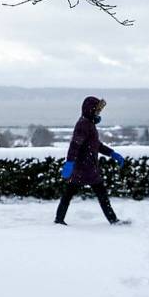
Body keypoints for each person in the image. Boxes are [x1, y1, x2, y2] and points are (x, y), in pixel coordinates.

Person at [54, 96, 128, 225]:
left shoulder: (89, 124)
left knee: (73, 194)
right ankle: (59, 219)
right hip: (83, 168)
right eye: (97, 110)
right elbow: (75, 145)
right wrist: (70, 163)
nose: (99, 113)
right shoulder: (83, 125)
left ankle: (59, 219)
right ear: (90, 110)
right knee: (80, 194)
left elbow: (96, 145)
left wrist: (112, 153)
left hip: (89, 167)